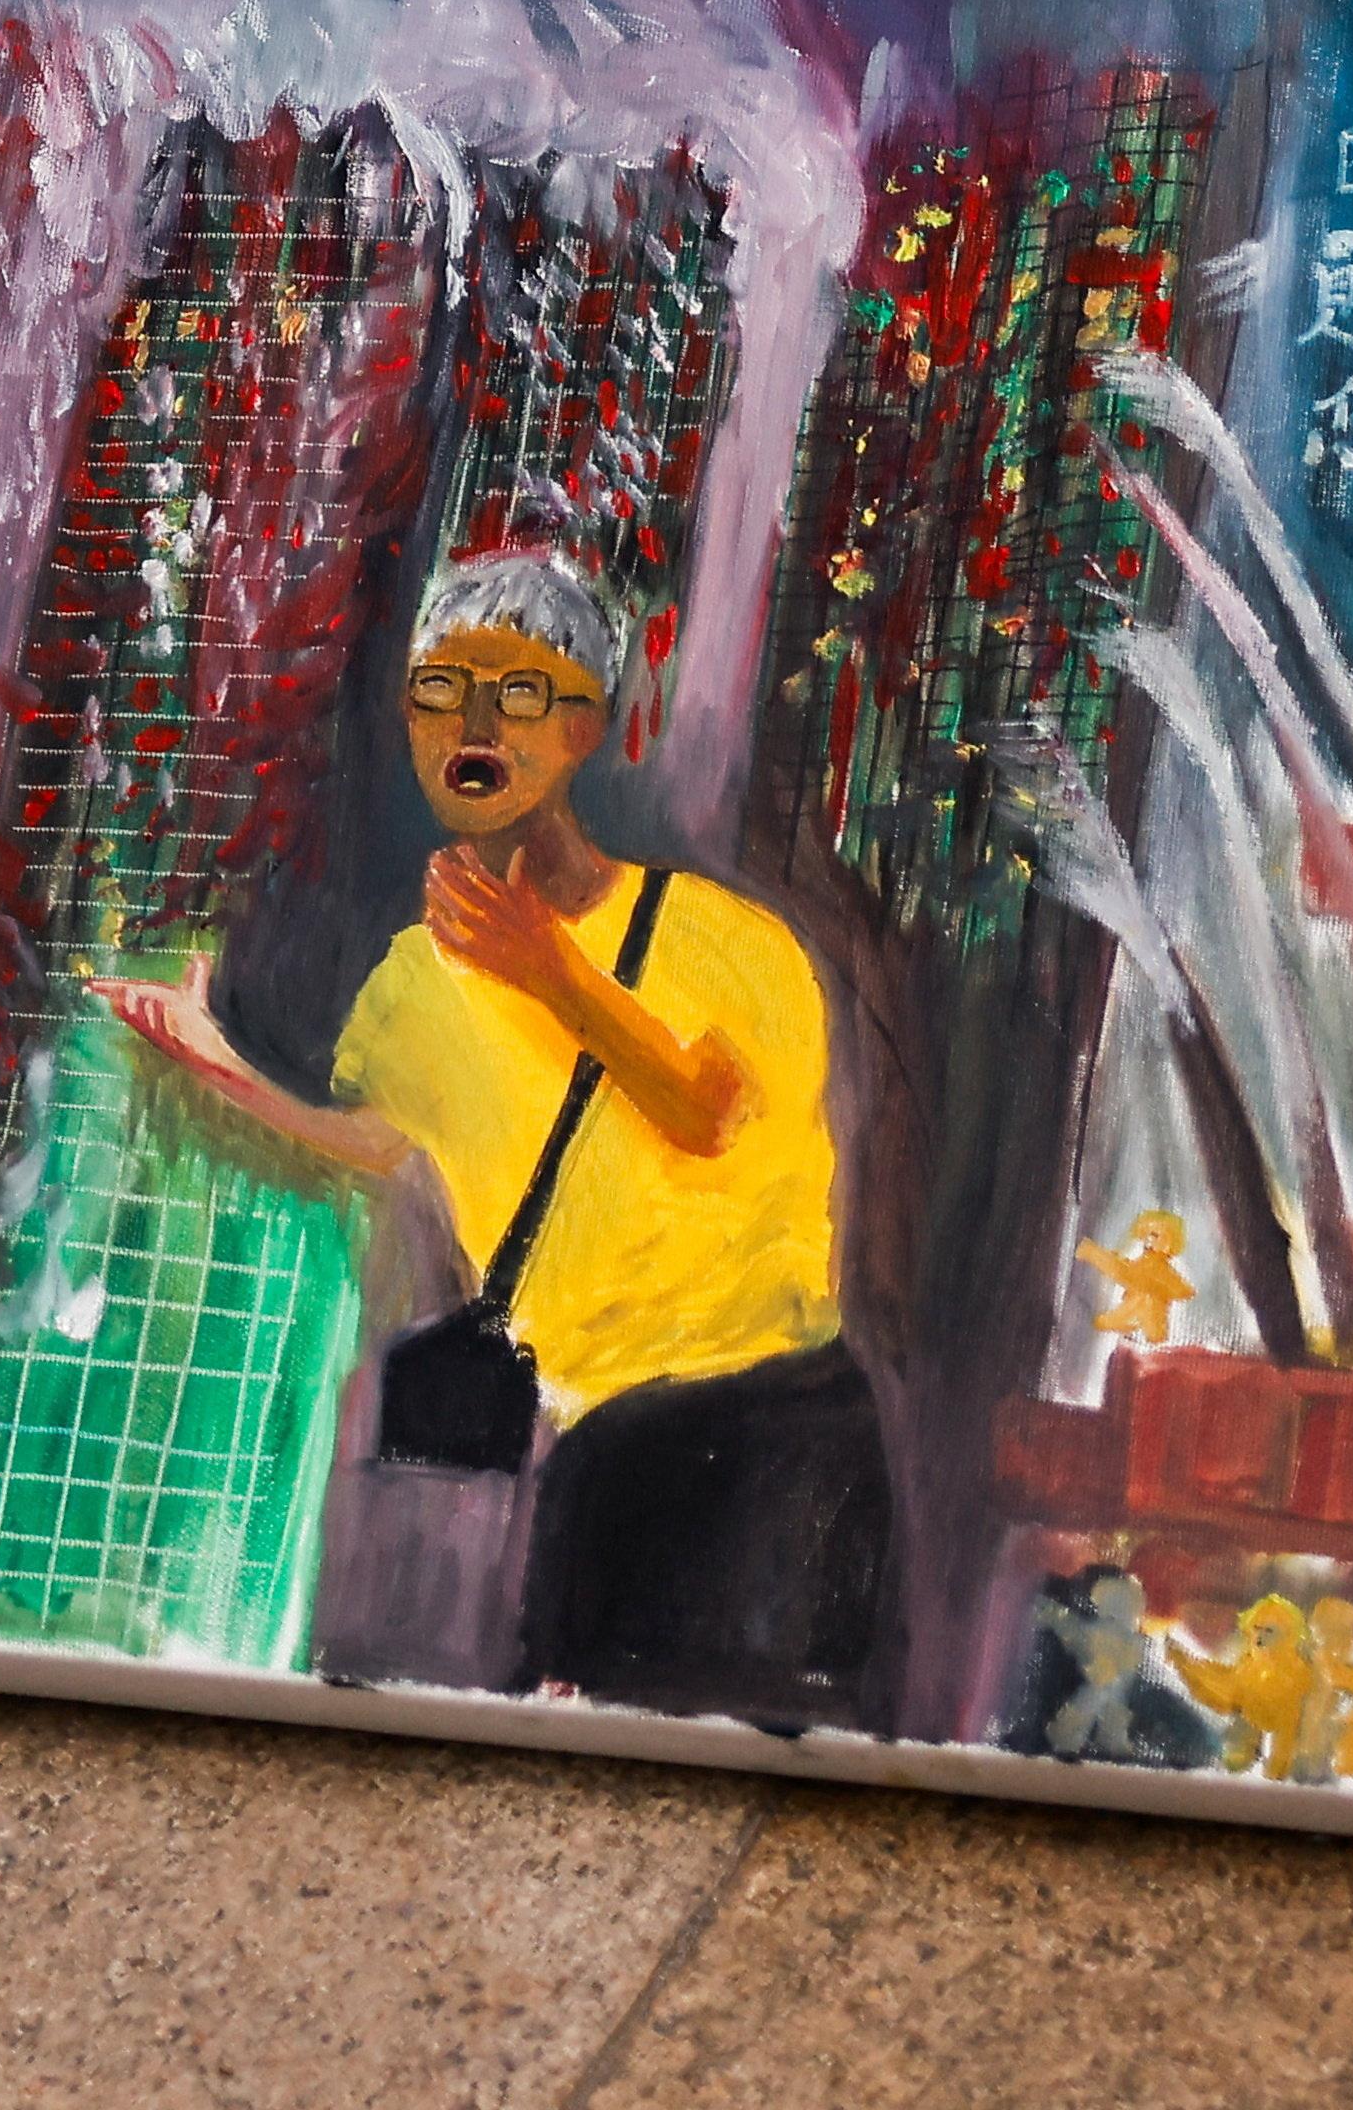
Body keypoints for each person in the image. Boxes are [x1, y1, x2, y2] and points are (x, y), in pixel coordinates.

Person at [111, 548, 888, 1725]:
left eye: (519, 692)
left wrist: (547, 968)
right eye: (439, 688)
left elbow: (705, 1112)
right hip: (587, 1448)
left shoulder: (718, 936)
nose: (472, 722)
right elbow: (381, 1142)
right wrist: (211, 1061)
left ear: (583, 727)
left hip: (765, 1430)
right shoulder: (413, 980)